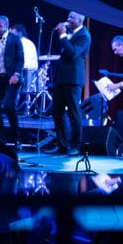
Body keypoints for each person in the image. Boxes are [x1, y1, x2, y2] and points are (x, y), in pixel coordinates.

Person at [42, 11, 91, 155]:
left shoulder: (84, 35)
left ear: (80, 21)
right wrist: (64, 34)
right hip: (61, 77)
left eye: (72, 18)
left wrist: (62, 35)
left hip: (73, 78)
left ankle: (76, 146)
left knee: (74, 112)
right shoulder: (69, 31)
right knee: (57, 112)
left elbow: (73, 53)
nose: (68, 19)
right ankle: (61, 144)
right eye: (68, 17)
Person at [0, 14, 24, 147]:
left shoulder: (15, 39)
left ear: (6, 26)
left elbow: (20, 58)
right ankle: (0, 138)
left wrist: (17, 74)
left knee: (8, 106)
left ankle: (16, 138)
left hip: (11, 78)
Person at [11, 23, 38, 95]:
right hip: (31, 73)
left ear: (19, 33)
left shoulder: (21, 42)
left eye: (12, 34)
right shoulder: (29, 42)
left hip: (24, 72)